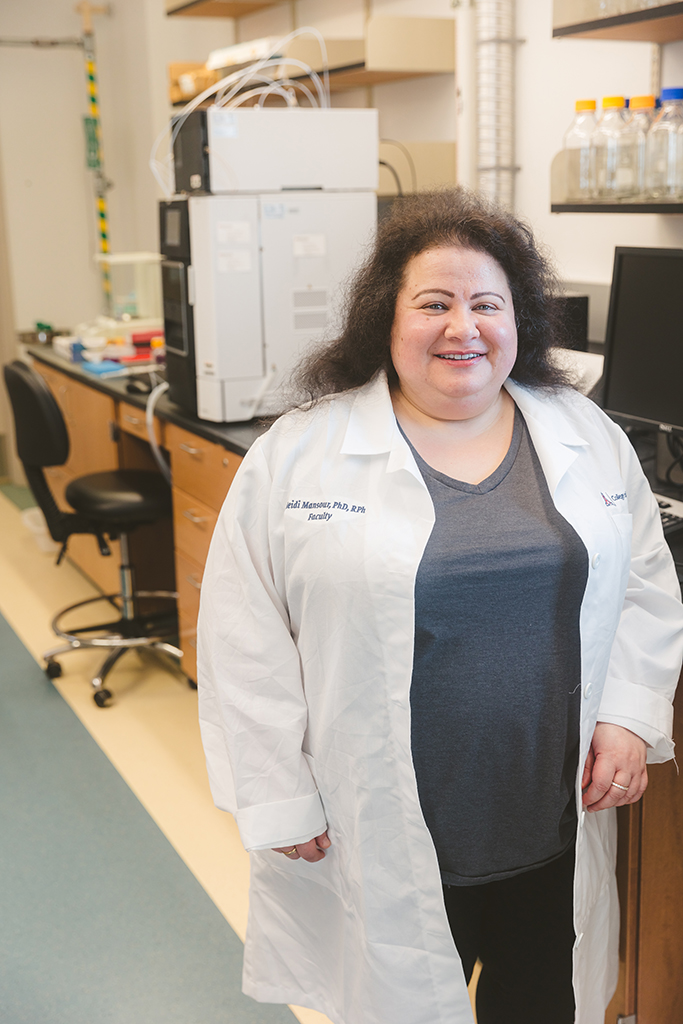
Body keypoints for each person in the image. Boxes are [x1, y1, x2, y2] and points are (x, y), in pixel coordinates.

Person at [197, 188, 683, 1024]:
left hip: (548, 817)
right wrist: (276, 791)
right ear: (384, 322)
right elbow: (244, 635)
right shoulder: (301, 454)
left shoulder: (581, 433)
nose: (464, 327)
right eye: (434, 304)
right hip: (380, 827)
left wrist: (628, 717)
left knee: (538, 1004)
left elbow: (642, 578)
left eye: (486, 304)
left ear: (519, 319)